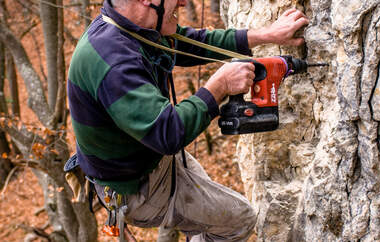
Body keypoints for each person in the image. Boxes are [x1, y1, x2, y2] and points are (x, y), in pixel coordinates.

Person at [67, 0, 309, 241]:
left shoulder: (130, 29)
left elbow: (191, 42)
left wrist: (266, 35)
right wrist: (220, 85)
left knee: (206, 223)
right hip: (136, 187)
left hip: (148, 157)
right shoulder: (114, 61)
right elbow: (168, 133)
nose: (183, 2)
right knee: (239, 219)